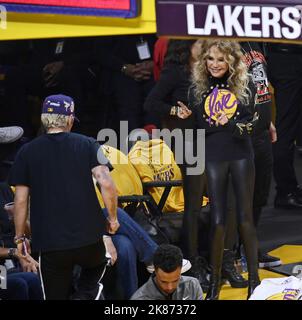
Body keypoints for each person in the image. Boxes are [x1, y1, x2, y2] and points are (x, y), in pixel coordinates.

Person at [9, 94, 119, 300]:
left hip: (50, 244)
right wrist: (112, 219)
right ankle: (84, 294)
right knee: (98, 265)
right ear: (69, 119)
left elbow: (21, 200)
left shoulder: (26, 152)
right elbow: (106, 182)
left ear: (43, 119)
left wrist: (19, 238)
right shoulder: (88, 144)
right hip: (89, 239)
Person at [180, 40, 260, 299]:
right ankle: (214, 282)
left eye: (221, 59)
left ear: (232, 62)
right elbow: (199, 127)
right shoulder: (197, 88)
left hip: (240, 155)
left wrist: (231, 123)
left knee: (244, 219)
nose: (214, 64)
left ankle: (254, 281)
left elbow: (252, 125)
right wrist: (185, 117)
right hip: (213, 155)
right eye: (210, 59)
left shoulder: (245, 85)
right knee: (217, 220)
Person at [144, 40, 206, 276]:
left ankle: (217, 256)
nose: (206, 46)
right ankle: (193, 259)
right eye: (201, 43)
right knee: (194, 204)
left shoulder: (209, 70)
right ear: (187, 46)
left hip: (211, 140)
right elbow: (151, 102)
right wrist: (174, 111)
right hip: (187, 141)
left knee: (216, 202)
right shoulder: (176, 72)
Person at [267, 43, 302, 209]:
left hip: (284, 56)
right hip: (288, 57)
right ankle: (285, 191)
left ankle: (287, 190)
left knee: (287, 125)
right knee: (286, 128)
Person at [131, 244, 203, 300]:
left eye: (175, 280)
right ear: (155, 271)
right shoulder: (139, 298)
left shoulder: (192, 285)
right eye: (164, 282)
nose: (170, 287)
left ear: (181, 269)